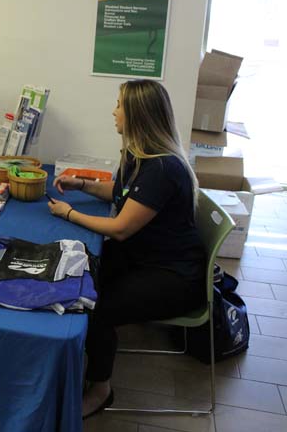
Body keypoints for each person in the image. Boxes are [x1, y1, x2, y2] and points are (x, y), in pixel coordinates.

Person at [47, 80, 207, 419]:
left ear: (137, 114)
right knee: (82, 273)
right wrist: (83, 185)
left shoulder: (163, 168)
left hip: (174, 277)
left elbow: (121, 228)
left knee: (96, 307)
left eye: (119, 105)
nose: (114, 111)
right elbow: (123, 194)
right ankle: (75, 358)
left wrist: (70, 212)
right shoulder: (139, 155)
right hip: (146, 259)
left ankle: (100, 389)